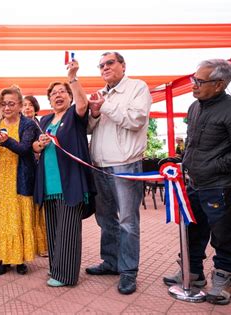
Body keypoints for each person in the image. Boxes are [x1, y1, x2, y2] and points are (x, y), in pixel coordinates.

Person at [163, 59, 231, 305]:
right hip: (194, 182)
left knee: (223, 233)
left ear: (219, 84)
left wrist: (213, 166)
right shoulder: (194, 107)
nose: (193, 85)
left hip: (221, 185)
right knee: (192, 228)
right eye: (192, 80)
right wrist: (181, 160)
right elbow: (193, 142)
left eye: (198, 81)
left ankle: (223, 277)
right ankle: (192, 272)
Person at [85, 52, 152, 295]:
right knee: (105, 218)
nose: (104, 68)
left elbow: (136, 119)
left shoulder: (137, 87)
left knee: (127, 221)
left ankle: (128, 271)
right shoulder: (101, 94)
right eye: (101, 65)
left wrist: (105, 106)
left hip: (125, 164)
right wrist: (93, 113)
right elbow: (91, 128)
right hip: (99, 164)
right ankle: (111, 262)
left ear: (123, 65)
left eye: (109, 63)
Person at [33, 59, 95, 287]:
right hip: (48, 185)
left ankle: (67, 276)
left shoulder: (74, 115)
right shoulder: (45, 120)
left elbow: (82, 104)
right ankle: (55, 269)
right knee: (53, 230)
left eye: (63, 92)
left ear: (69, 97)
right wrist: (38, 145)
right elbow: (36, 148)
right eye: (53, 93)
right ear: (48, 99)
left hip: (70, 183)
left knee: (68, 231)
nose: (58, 95)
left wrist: (73, 78)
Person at [0, 85, 39, 275]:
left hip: (21, 178)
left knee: (19, 219)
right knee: (2, 220)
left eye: (11, 104)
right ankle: (4, 259)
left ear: (19, 105)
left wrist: (4, 140)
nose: (6, 108)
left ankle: (20, 260)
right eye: (3, 104)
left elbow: (25, 149)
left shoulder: (28, 124)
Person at [22, 95, 48, 257]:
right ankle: (29, 243)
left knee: (41, 206)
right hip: (26, 170)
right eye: (24, 105)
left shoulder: (42, 123)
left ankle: (42, 243)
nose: (27, 108)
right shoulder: (20, 125)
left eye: (30, 105)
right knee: (29, 205)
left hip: (42, 168)